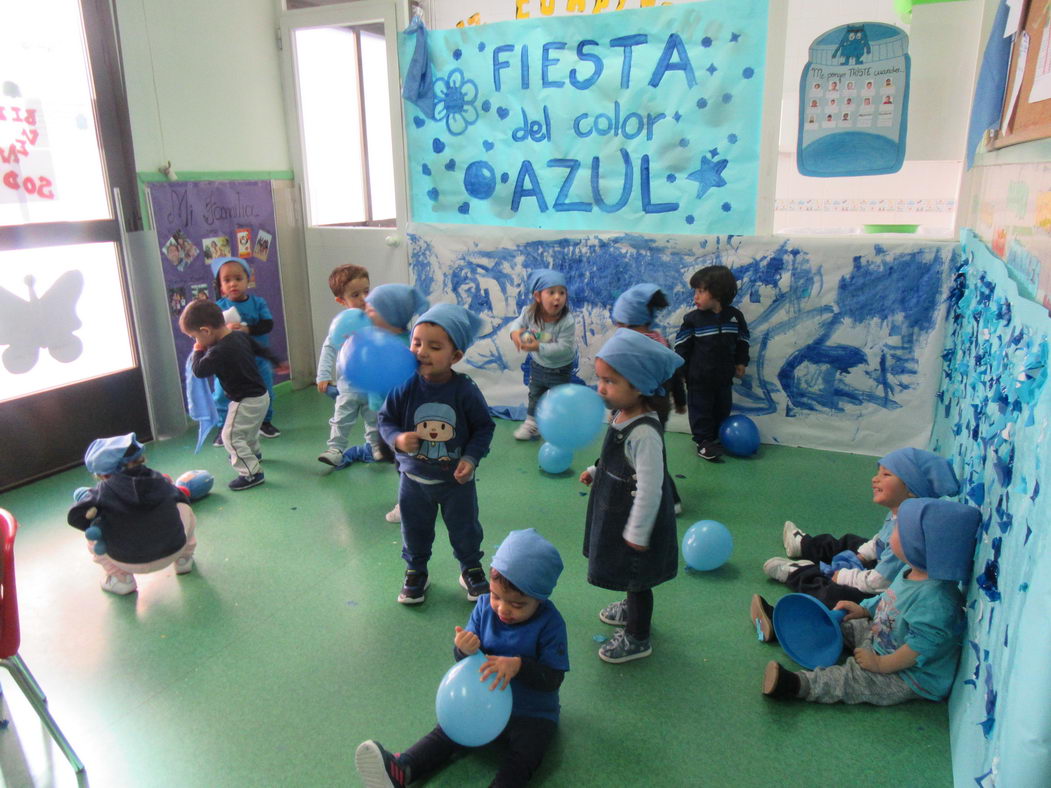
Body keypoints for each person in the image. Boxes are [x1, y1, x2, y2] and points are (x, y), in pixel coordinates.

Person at [354, 528, 568, 787]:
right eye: (497, 596)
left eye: (517, 604)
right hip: (480, 704)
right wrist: (463, 649)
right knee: (446, 732)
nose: (503, 608)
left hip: (531, 713)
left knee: (525, 756)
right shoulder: (483, 607)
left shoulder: (551, 623)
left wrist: (519, 666)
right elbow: (465, 662)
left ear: (540, 599)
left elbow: (553, 678)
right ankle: (403, 768)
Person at [762, 497, 981, 705]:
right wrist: (865, 609)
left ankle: (797, 684)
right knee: (843, 623)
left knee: (853, 679)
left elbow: (920, 648)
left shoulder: (937, 600)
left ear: (919, 545)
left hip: (907, 673)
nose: (891, 532)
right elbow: (889, 598)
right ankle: (786, 628)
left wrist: (880, 664)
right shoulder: (910, 569)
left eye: (899, 530)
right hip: (882, 635)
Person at [751, 448, 959, 642]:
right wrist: (862, 555)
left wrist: (844, 576)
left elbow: (880, 583)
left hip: (882, 586)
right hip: (883, 568)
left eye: (886, 475)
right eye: (878, 472)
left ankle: (800, 573)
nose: (875, 479)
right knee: (852, 542)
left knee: (835, 595)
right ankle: (806, 545)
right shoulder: (899, 513)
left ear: (911, 490)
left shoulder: (908, 537)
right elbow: (880, 539)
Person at [377, 303, 496, 604]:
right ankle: (417, 570)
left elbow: (484, 427)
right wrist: (398, 438)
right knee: (414, 529)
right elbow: (385, 420)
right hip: (414, 480)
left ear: (455, 356)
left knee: (465, 528)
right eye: (416, 343)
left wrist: (470, 459)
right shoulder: (403, 385)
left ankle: (470, 567)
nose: (421, 351)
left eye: (434, 346)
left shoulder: (464, 390)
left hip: (456, 483)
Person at [581, 328, 683, 663]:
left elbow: (651, 486)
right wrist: (597, 471)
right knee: (629, 573)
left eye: (609, 381)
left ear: (638, 386)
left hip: (638, 523)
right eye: (600, 379)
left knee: (638, 578)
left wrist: (638, 532)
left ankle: (638, 637)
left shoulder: (645, 433)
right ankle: (629, 608)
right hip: (617, 512)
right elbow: (617, 459)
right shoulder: (621, 415)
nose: (601, 388)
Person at [67, 433, 196, 595]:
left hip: (125, 561)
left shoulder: (101, 491)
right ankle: (184, 559)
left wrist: (97, 519)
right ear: (139, 459)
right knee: (184, 508)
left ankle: (122, 580)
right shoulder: (160, 480)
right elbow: (182, 498)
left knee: (93, 533)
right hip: (173, 550)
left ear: (103, 475)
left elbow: (74, 517)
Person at [348, 283, 431, 525]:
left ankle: (409, 503)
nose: (366, 313)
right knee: (389, 454)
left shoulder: (407, 346)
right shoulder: (375, 338)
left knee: (403, 462)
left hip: (403, 417)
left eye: (372, 310)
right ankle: (417, 493)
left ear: (391, 316)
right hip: (384, 414)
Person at [181, 299, 279, 490]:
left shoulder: (218, 351)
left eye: (195, 337)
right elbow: (260, 349)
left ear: (206, 331)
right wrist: (276, 361)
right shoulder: (238, 336)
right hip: (261, 396)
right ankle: (253, 454)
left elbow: (199, 371)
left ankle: (251, 473)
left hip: (245, 400)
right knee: (248, 431)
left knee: (231, 437)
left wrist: (197, 352)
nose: (196, 342)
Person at [611, 282, 687, 512]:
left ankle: (669, 498)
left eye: (620, 324)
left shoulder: (629, 348)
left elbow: (618, 382)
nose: (617, 330)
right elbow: (676, 374)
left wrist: (614, 409)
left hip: (640, 412)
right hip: (659, 410)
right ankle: (642, 493)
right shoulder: (661, 342)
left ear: (629, 323)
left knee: (644, 456)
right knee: (646, 453)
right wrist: (681, 401)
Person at [673, 265, 750, 461]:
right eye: (695, 292)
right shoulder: (693, 319)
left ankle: (717, 438)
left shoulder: (734, 317)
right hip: (699, 378)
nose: (695, 297)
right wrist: (681, 371)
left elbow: (743, 341)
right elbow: (682, 346)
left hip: (724, 377)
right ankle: (703, 442)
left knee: (722, 408)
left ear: (718, 292)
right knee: (701, 411)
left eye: (700, 291)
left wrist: (741, 362)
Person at [211, 256, 281, 442]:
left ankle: (265, 422)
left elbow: (267, 325)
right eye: (227, 280)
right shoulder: (218, 308)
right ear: (221, 286)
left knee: (266, 390)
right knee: (221, 395)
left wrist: (247, 329)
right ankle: (223, 428)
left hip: (257, 360)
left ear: (248, 281)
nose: (233, 284)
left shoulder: (258, 303)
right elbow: (213, 334)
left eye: (238, 279)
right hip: (229, 364)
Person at [315, 264, 373, 467]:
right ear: (341, 300)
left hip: (374, 385)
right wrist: (323, 375)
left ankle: (374, 449)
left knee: (375, 419)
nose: (364, 298)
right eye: (356, 294)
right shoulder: (343, 324)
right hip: (348, 384)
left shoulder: (377, 318)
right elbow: (329, 348)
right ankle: (335, 449)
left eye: (367, 291)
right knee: (342, 418)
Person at [508, 269, 576, 440]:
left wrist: (538, 347)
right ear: (538, 296)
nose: (557, 297)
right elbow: (517, 323)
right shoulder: (529, 313)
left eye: (562, 292)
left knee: (559, 400)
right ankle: (532, 424)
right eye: (551, 292)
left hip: (560, 369)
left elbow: (565, 348)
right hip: (538, 365)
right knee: (535, 395)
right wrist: (515, 334)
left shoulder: (567, 321)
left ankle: (559, 426)